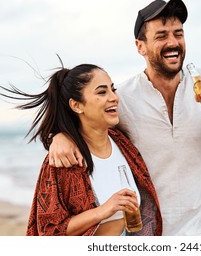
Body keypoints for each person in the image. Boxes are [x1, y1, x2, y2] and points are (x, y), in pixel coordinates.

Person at [49, 0, 201, 236]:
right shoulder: (122, 97)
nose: (173, 42)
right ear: (140, 47)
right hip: (149, 235)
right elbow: (85, 125)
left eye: (178, 34)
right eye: (161, 36)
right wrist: (60, 136)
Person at [0, 63, 162, 236]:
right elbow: (49, 231)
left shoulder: (122, 142)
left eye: (113, 90)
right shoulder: (64, 159)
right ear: (77, 106)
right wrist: (103, 210)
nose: (114, 97)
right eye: (102, 92)